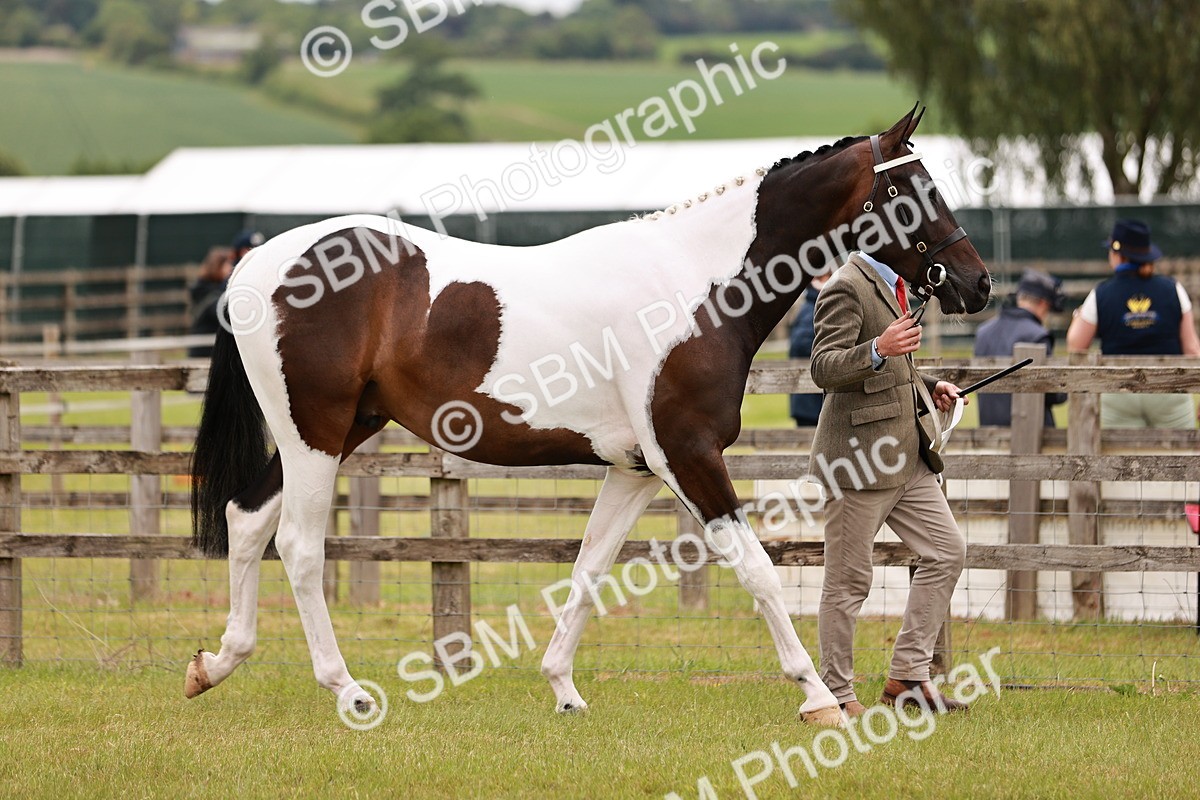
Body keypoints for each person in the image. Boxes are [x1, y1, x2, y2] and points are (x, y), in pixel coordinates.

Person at [808, 250, 969, 717]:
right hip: (858, 463)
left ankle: (908, 679)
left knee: (946, 552)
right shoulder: (845, 285)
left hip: (908, 457)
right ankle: (835, 695)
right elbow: (824, 368)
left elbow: (899, 368)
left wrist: (930, 385)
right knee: (848, 582)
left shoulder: (896, 283)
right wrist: (878, 347)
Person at [1066, 219, 1200, 428]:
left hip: (1118, 390)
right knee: (1180, 456)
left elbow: (1076, 344)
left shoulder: (1100, 294)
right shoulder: (1174, 289)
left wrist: (1078, 317)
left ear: (1118, 254)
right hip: (1169, 387)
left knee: (1117, 458)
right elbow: (1192, 349)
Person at [974, 269, 1068, 427]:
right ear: (1044, 304)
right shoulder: (1038, 335)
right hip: (1031, 434)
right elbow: (1053, 392)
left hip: (988, 431)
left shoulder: (983, 332)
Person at [188, 231, 263, 358]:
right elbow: (223, 312)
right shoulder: (207, 292)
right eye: (227, 264)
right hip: (205, 354)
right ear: (217, 266)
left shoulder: (210, 289)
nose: (230, 268)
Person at [788, 272, 829, 426]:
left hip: (810, 401)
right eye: (824, 278)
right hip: (809, 403)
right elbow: (801, 344)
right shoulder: (812, 309)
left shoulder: (815, 306)